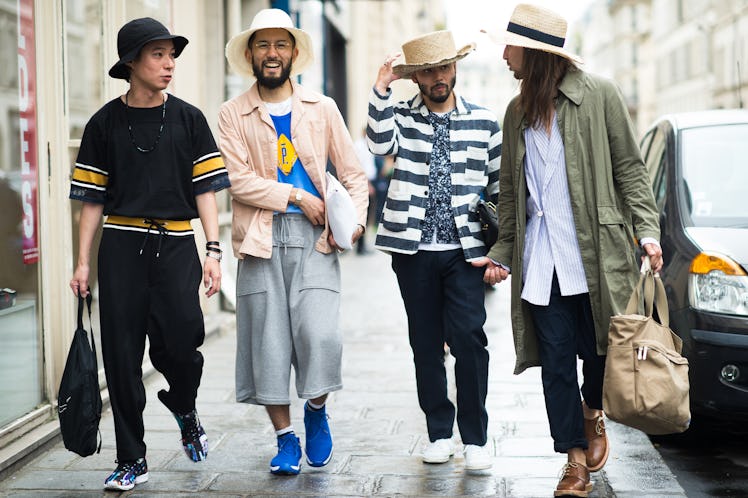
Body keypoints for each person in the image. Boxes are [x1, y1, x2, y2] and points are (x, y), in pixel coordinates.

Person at [473, 4, 663, 496]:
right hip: (541, 261)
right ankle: (574, 461)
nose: (504, 57)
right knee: (555, 360)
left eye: (510, 47)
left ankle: (591, 410)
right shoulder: (515, 112)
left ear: (534, 53)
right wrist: (501, 253)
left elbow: (630, 170)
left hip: (597, 256)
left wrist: (648, 230)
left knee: (602, 354)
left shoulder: (599, 95)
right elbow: (512, 198)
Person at [69, 17, 230, 491]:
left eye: (171, 54)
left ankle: (183, 405)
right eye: (157, 54)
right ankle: (131, 459)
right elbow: (93, 199)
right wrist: (82, 261)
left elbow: (206, 191)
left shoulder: (189, 119)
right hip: (120, 249)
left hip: (178, 245)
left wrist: (213, 250)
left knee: (181, 346)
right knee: (121, 357)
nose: (169, 64)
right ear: (131, 63)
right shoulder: (103, 123)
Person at [219, 8, 369, 476]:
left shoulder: (322, 108)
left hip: (315, 240)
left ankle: (317, 411)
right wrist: (296, 195)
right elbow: (237, 180)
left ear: (294, 53)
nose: (271, 53)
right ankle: (285, 438)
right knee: (268, 344)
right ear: (250, 54)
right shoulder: (231, 114)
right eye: (263, 45)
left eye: (280, 45)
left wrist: (356, 222)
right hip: (260, 239)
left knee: (319, 335)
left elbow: (352, 173)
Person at [369, 30, 501, 471]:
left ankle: (476, 439)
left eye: (444, 67)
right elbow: (378, 145)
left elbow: (501, 189)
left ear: (455, 68)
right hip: (413, 249)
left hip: (467, 251)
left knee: (469, 340)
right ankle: (439, 433)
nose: (438, 77)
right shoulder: (401, 117)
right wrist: (381, 87)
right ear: (417, 78)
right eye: (428, 70)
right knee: (425, 344)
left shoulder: (485, 122)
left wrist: (500, 252)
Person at [353, 127, 377, 254]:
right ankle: (360, 247)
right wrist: (367, 184)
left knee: (367, 216)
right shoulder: (360, 146)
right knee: (363, 215)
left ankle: (362, 245)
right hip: (364, 183)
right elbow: (359, 166)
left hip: (369, 182)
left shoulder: (367, 145)